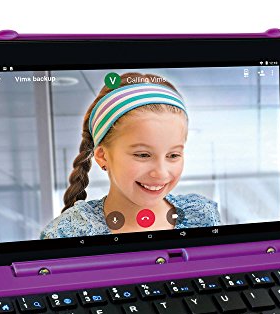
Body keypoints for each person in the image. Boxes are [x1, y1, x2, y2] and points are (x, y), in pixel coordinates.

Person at [40, 72, 220, 239]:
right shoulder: (66, 233)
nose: (161, 172)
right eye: (143, 155)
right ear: (102, 156)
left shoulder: (203, 216)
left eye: (173, 155)